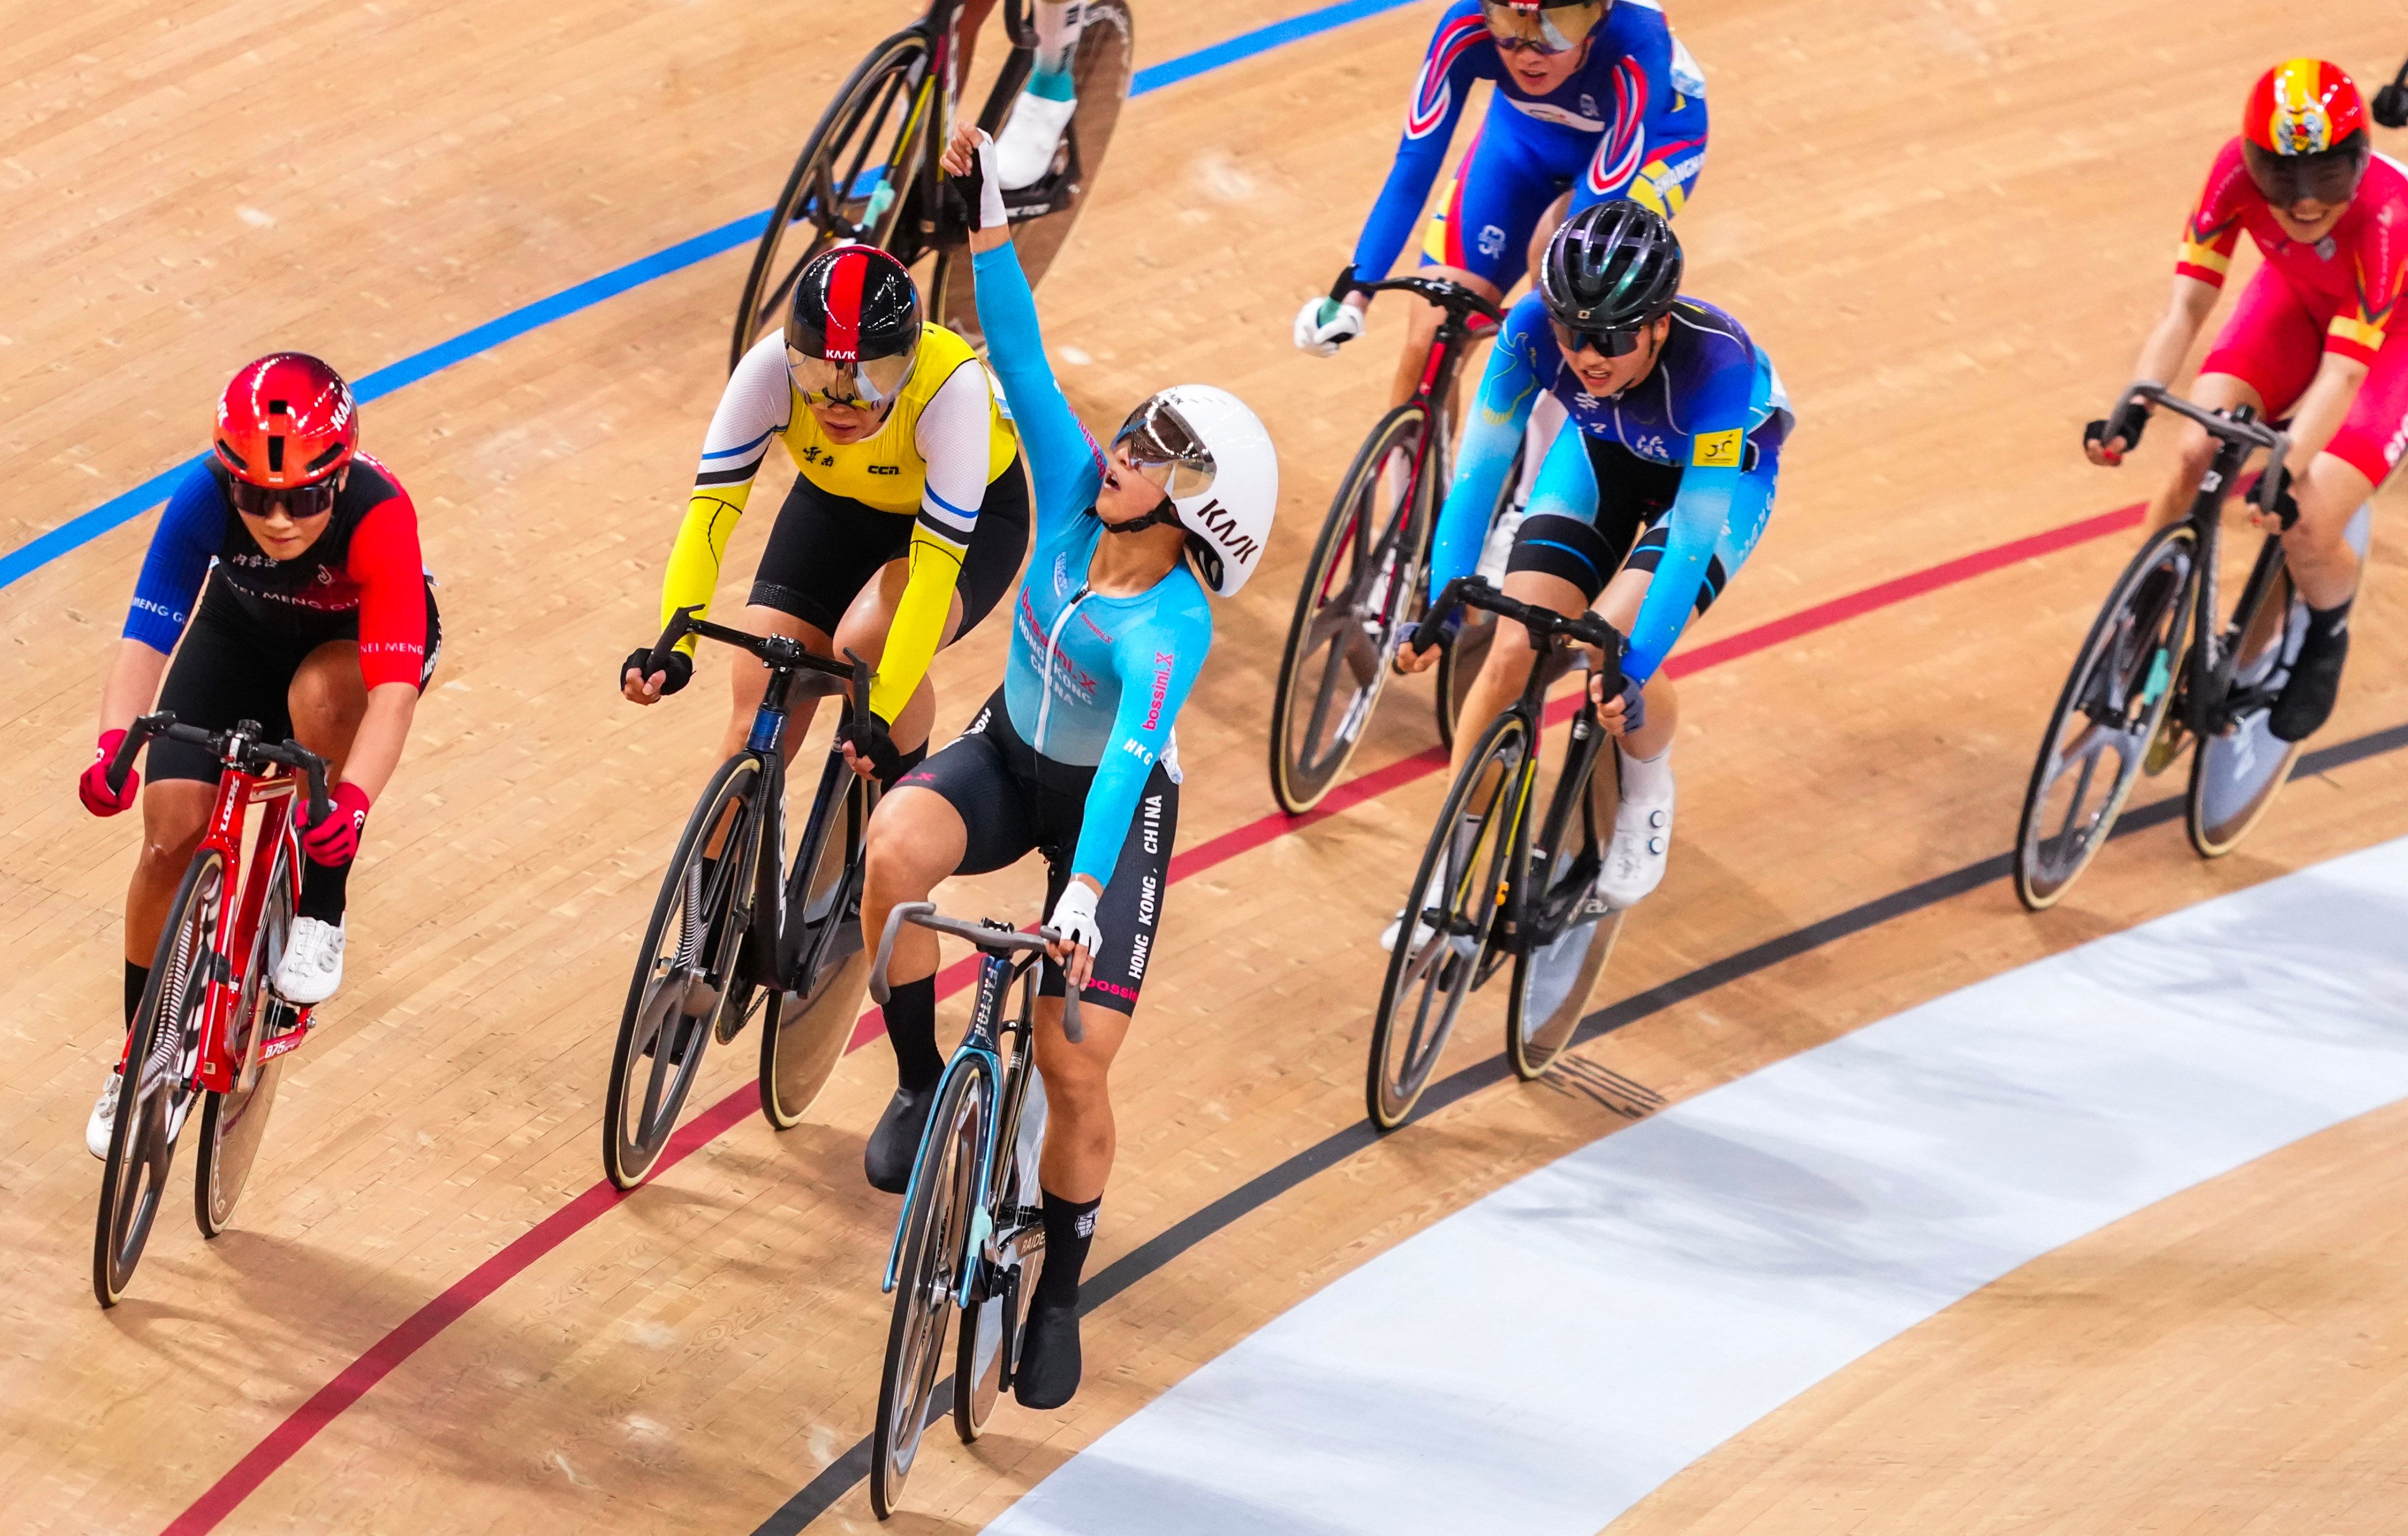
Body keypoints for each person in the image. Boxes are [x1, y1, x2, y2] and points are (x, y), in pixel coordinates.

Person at [858, 122, 1277, 1411]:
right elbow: (1023, 358)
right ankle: (926, 1089)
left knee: (1072, 1055)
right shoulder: (1069, 485)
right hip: (1004, 753)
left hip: (1111, 814)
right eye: (1136, 433)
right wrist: (987, 217)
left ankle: (1056, 1293)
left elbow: (1126, 769)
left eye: (1155, 453)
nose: (1120, 453)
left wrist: (1081, 900)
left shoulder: (1172, 627)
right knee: (891, 851)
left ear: (1197, 509)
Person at [78, 353, 439, 1157]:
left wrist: (351, 806)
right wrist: (113, 746)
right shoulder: (199, 497)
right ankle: (142, 1053)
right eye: (257, 497)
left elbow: (393, 694)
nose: (278, 521)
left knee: (319, 700)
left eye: (304, 499)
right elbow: (147, 636)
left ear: (339, 481)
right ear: (226, 476)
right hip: (238, 634)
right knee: (170, 834)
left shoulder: (380, 517)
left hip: (348, 651)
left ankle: (320, 902)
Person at [1394, 201, 1789, 925]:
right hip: (1601, 454)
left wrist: (1631, 669)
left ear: (1659, 324)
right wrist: (1442, 604)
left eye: (1612, 336)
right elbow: (1480, 474)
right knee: (1515, 642)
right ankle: (1450, 871)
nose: (1589, 355)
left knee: (1600, 643)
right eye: (1574, 333)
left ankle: (1646, 788)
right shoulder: (1528, 331)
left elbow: (1689, 544)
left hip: (1713, 483)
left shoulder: (1716, 367)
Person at [623, 243, 1028, 793]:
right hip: (837, 505)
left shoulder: (949, 389)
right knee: (757, 705)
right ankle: (709, 877)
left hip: (969, 522)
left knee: (865, 650)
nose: (839, 404)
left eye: (867, 382)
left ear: (905, 367)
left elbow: (932, 577)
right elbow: (708, 520)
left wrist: (879, 713)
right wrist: (675, 645)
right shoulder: (766, 372)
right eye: (817, 377)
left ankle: (882, 851)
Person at [2083, 59, 2408, 743]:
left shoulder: (2386, 215)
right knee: (2199, 446)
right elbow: (2187, 307)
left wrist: (2286, 469)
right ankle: (2140, 614)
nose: (2303, 203)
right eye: (2281, 178)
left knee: (2308, 517)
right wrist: (2138, 403)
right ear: (2253, 161)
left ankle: (2327, 638)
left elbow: (2345, 375)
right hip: (2297, 300)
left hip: (2390, 346)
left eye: (2325, 176)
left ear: (2360, 159)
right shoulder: (2231, 171)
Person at [1292, 0, 1711, 413]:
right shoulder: (1464, 26)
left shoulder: (1637, 41)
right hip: (1523, 144)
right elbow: (1412, 170)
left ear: (1598, 16)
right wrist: (1352, 295)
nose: (1528, 52)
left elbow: (1591, 211)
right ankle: (1412, 476)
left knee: (1558, 269)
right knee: (1429, 339)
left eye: (1556, 28)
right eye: (1509, 23)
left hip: (1657, 148)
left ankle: (1557, 443)